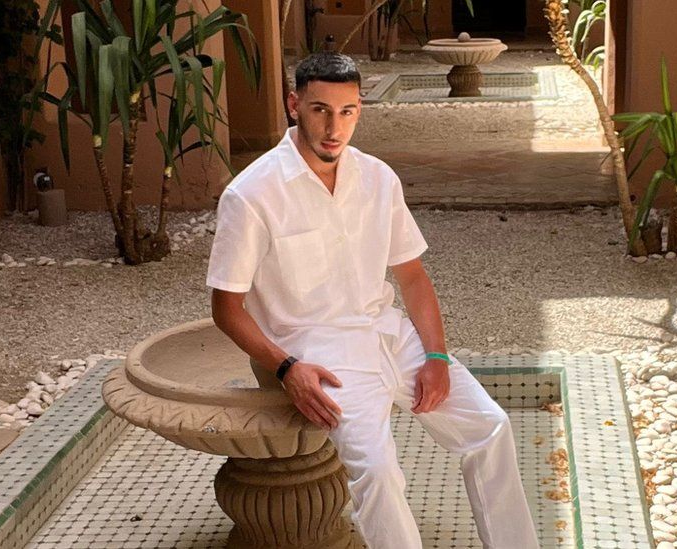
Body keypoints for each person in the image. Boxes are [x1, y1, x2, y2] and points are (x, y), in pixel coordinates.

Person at [207, 52, 540, 549]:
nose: (333, 127)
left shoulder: (378, 178)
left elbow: (412, 277)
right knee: (380, 475)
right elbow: (226, 309)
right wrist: (286, 368)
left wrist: (436, 356)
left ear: (360, 109)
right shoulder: (251, 194)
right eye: (320, 109)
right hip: (321, 357)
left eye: (347, 111)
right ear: (294, 104)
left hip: (388, 335)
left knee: (490, 428)